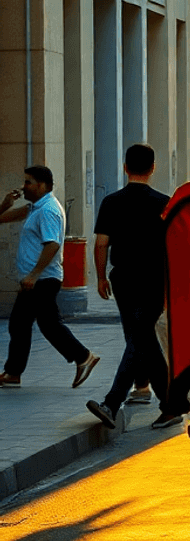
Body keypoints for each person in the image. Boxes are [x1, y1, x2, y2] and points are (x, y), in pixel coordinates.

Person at [85, 144, 186, 430]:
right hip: (154, 280)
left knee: (138, 338)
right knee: (143, 341)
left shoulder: (111, 202)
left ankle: (112, 403)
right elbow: (174, 249)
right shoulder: (165, 203)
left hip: (123, 279)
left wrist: (101, 277)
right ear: (153, 168)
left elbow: (102, 243)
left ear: (125, 167)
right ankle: (172, 406)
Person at [0, 166, 100, 389]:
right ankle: (13, 373)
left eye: (28, 182)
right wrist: (6, 203)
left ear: (42, 185)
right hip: (36, 279)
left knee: (45, 324)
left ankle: (83, 356)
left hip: (43, 279)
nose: (23, 187)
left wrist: (34, 275)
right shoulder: (34, 209)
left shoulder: (48, 210)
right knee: (23, 324)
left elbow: (52, 244)